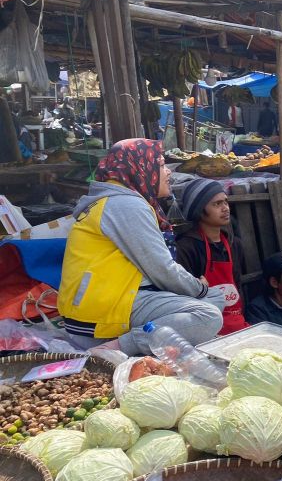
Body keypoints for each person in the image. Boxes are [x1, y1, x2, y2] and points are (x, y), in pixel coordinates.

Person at [58, 139, 224, 354]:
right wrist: (198, 288)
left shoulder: (124, 200)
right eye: (162, 164)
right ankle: (117, 348)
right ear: (142, 166)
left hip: (122, 296)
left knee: (216, 297)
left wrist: (199, 292)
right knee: (208, 315)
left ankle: (151, 337)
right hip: (98, 313)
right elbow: (161, 268)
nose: (168, 172)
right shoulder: (126, 204)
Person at [176, 179, 248, 336]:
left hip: (237, 326)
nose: (225, 208)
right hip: (206, 331)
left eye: (226, 202)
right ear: (199, 211)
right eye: (217, 204)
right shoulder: (187, 247)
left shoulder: (234, 244)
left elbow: (238, 285)